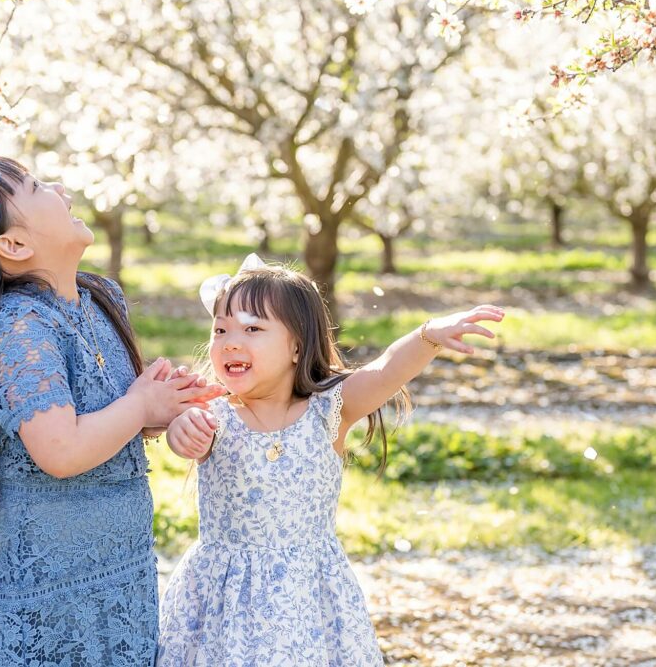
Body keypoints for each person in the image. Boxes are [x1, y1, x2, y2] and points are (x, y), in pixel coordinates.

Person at [0, 156, 221, 666]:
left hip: (121, 570)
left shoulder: (100, 298)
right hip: (52, 589)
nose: (57, 186)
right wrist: (139, 404)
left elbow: (107, 420)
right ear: (13, 245)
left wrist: (163, 407)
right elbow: (61, 449)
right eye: (35, 186)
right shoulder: (20, 329)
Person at [159, 254, 504, 665]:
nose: (230, 341)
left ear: (296, 346)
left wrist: (428, 335)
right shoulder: (212, 414)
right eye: (220, 329)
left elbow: (385, 371)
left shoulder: (327, 411)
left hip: (310, 599)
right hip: (223, 599)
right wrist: (182, 432)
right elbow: (182, 434)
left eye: (253, 328)